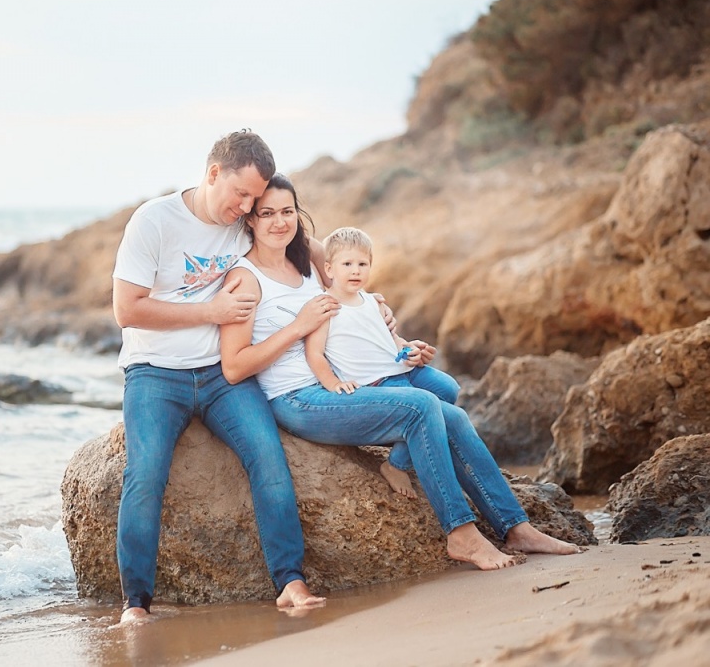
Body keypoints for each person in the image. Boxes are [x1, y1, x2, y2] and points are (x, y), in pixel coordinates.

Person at [219, 173, 582, 571]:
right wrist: (297, 328)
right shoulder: (245, 278)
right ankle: (461, 534)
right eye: (267, 213)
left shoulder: (305, 258)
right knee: (421, 406)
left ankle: (516, 526)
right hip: (298, 397)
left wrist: (388, 324)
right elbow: (234, 367)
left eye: (287, 211)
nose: (279, 222)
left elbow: (352, 292)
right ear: (250, 219)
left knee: (455, 417)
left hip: (345, 382)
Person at [111, 130, 325, 624]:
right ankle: (135, 604)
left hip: (221, 376)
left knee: (267, 456)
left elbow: (306, 243)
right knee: (145, 474)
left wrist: (361, 298)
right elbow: (127, 310)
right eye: (241, 194)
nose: (247, 208)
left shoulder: (241, 222)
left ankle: (290, 582)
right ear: (213, 173)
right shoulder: (154, 221)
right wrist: (212, 311)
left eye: (255, 199)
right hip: (155, 374)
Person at [305, 226, 461, 499]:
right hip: (376, 381)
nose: (356, 271)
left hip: (398, 368)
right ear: (329, 268)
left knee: (448, 389)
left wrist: (407, 349)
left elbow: (390, 340)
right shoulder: (327, 307)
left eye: (362, 264)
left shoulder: (372, 301)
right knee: (424, 406)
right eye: (347, 264)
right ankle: (397, 464)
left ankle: (403, 448)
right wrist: (333, 383)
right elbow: (314, 353)